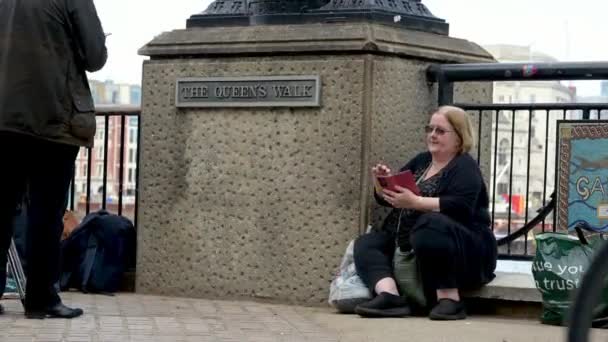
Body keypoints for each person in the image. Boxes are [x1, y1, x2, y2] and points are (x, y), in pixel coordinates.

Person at [0, 0, 107, 318]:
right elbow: (95, 56)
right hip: (52, 119)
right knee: (46, 216)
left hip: (3, 117)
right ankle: (41, 298)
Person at [353, 106, 497, 320]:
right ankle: (390, 296)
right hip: (413, 241)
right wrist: (382, 184)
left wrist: (416, 202)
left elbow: (460, 207)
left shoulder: (465, 166)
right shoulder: (421, 161)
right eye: (430, 129)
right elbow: (393, 199)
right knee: (367, 243)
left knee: (430, 224)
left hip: (465, 246)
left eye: (440, 131)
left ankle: (450, 299)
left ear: (459, 137)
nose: (432, 135)